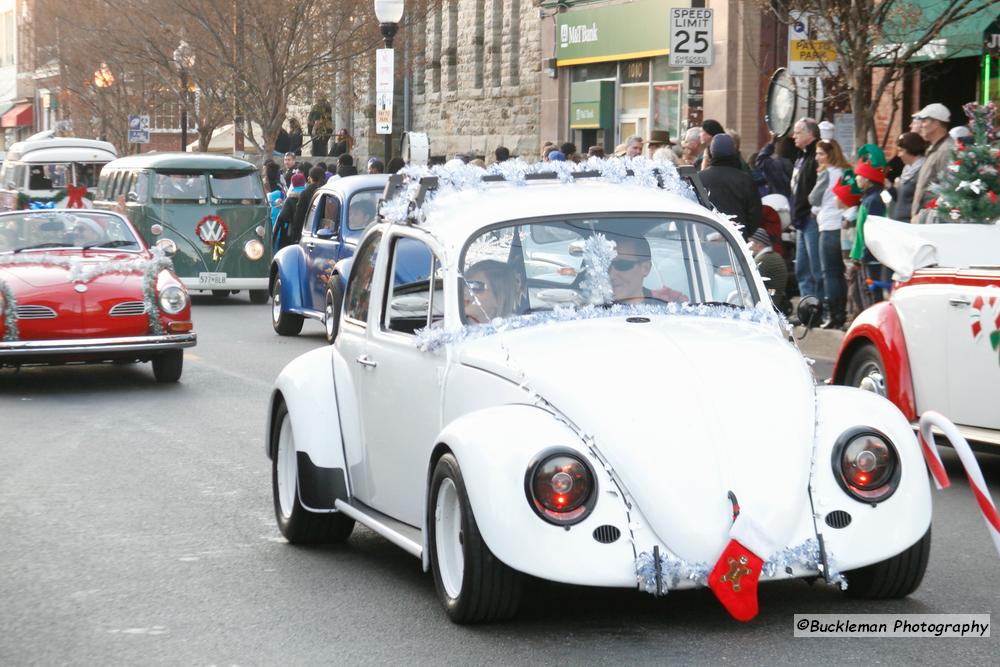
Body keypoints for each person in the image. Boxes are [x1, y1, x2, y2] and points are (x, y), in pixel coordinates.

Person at [809, 139, 851, 328]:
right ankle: (843, 312)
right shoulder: (845, 172)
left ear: (830, 155)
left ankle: (834, 315)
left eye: (821, 154)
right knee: (840, 273)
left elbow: (813, 198)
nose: (817, 157)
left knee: (830, 273)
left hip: (828, 225)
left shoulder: (827, 173)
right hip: (843, 225)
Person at [699, 133, 762, 240]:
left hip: (706, 240)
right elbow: (755, 215)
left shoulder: (699, 178)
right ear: (734, 153)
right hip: (737, 241)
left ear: (711, 153)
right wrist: (744, 233)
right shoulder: (745, 180)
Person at [849, 144, 889, 303]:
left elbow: (872, 230)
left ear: (867, 179)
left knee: (872, 296)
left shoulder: (874, 200)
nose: (856, 178)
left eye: (859, 175)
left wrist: (864, 254)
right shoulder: (868, 198)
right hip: (865, 255)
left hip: (871, 257)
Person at [790, 117, 822, 303]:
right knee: (802, 268)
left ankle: (819, 308)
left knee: (815, 267)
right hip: (801, 218)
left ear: (810, 134)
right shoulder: (801, 156)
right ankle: (807, 308)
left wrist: (814, 209)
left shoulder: (817, 155)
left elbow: (824, 185)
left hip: (811, 219)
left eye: (798, 132)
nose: (794, 136)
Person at [911, 103, 954, 223]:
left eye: (924, 121)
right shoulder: (935, 148)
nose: (921, 126)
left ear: (936, 123)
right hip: (926, 219)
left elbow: (948, 190)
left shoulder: (946, 150)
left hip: (933, 221)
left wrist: (923, 216)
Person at [462, 259, 520, 324]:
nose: (464, 291)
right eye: (464, 284)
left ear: (498, 298)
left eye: (475, 287)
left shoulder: (513, 329)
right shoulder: (456, 322)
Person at [749, 228, 788, 314]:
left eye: (752, 243)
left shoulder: (762, 260)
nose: (750, 246)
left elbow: (749, 282)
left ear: (759, 245)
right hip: (777, 299)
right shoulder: (776, 256)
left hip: (769, 305)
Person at [890, 132, 927, 221]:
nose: (898, 155)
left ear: (911, 149)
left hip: (910, 222)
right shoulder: (906, 170)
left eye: (901, 151)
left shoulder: (922, 170)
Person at [607, 234, 653, 304]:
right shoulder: (591, 310)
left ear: (645, 268)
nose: (611, 275)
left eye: (622, 265)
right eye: (605, 265)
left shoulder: (667, 311)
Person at [289, 166, 325, 245]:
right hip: (325, 231)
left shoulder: (305, 193)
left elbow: (299, 215)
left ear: (310, 178)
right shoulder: (327, 191)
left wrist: (295, 235)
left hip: (308, 231)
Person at [754, 132, 794, 197]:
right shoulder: (802, 163)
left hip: (778, 201)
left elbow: (761, 160)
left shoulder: (778, 166)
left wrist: (771, 142)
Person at [274, 172, 306, 251]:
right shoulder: (310, 195)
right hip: (307, 232)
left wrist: (274, 236)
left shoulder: (290, 198)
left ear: (293, 184)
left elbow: (281, 217)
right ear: (304, 183)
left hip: (293, 234)